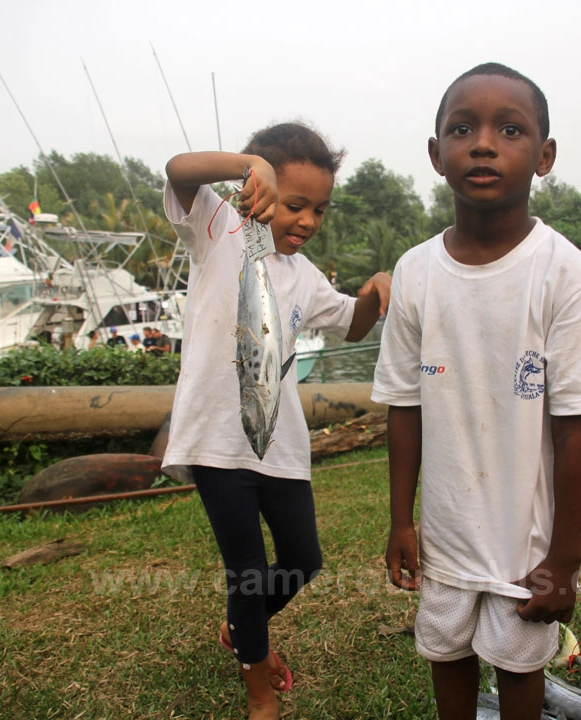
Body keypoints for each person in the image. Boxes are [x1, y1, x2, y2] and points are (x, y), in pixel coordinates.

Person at [373, 63, 581, 720]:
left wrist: (564, 560)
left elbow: (575, 426)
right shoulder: (417, 273)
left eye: (510, 129)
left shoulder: (565, 273)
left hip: (524, 543)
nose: (483, 144)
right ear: (435, 154)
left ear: (544, 156)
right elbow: (403, 405)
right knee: (446, 656)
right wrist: (402, 519)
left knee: (518, 666)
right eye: (461, 128)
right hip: (447, 534)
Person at [162, 122, 391, 720]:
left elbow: (355, 322)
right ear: (256, 187)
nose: (309, 220)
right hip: (217, 439)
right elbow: (178, 168)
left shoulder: (305, 275)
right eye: (296, 204)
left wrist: (379, 287)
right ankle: (258, 693)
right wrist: (245, 163)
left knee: (303, 558)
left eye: (320, 209)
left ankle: (243, 628)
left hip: (280, 443)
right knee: (247, 568)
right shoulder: (219, 228)